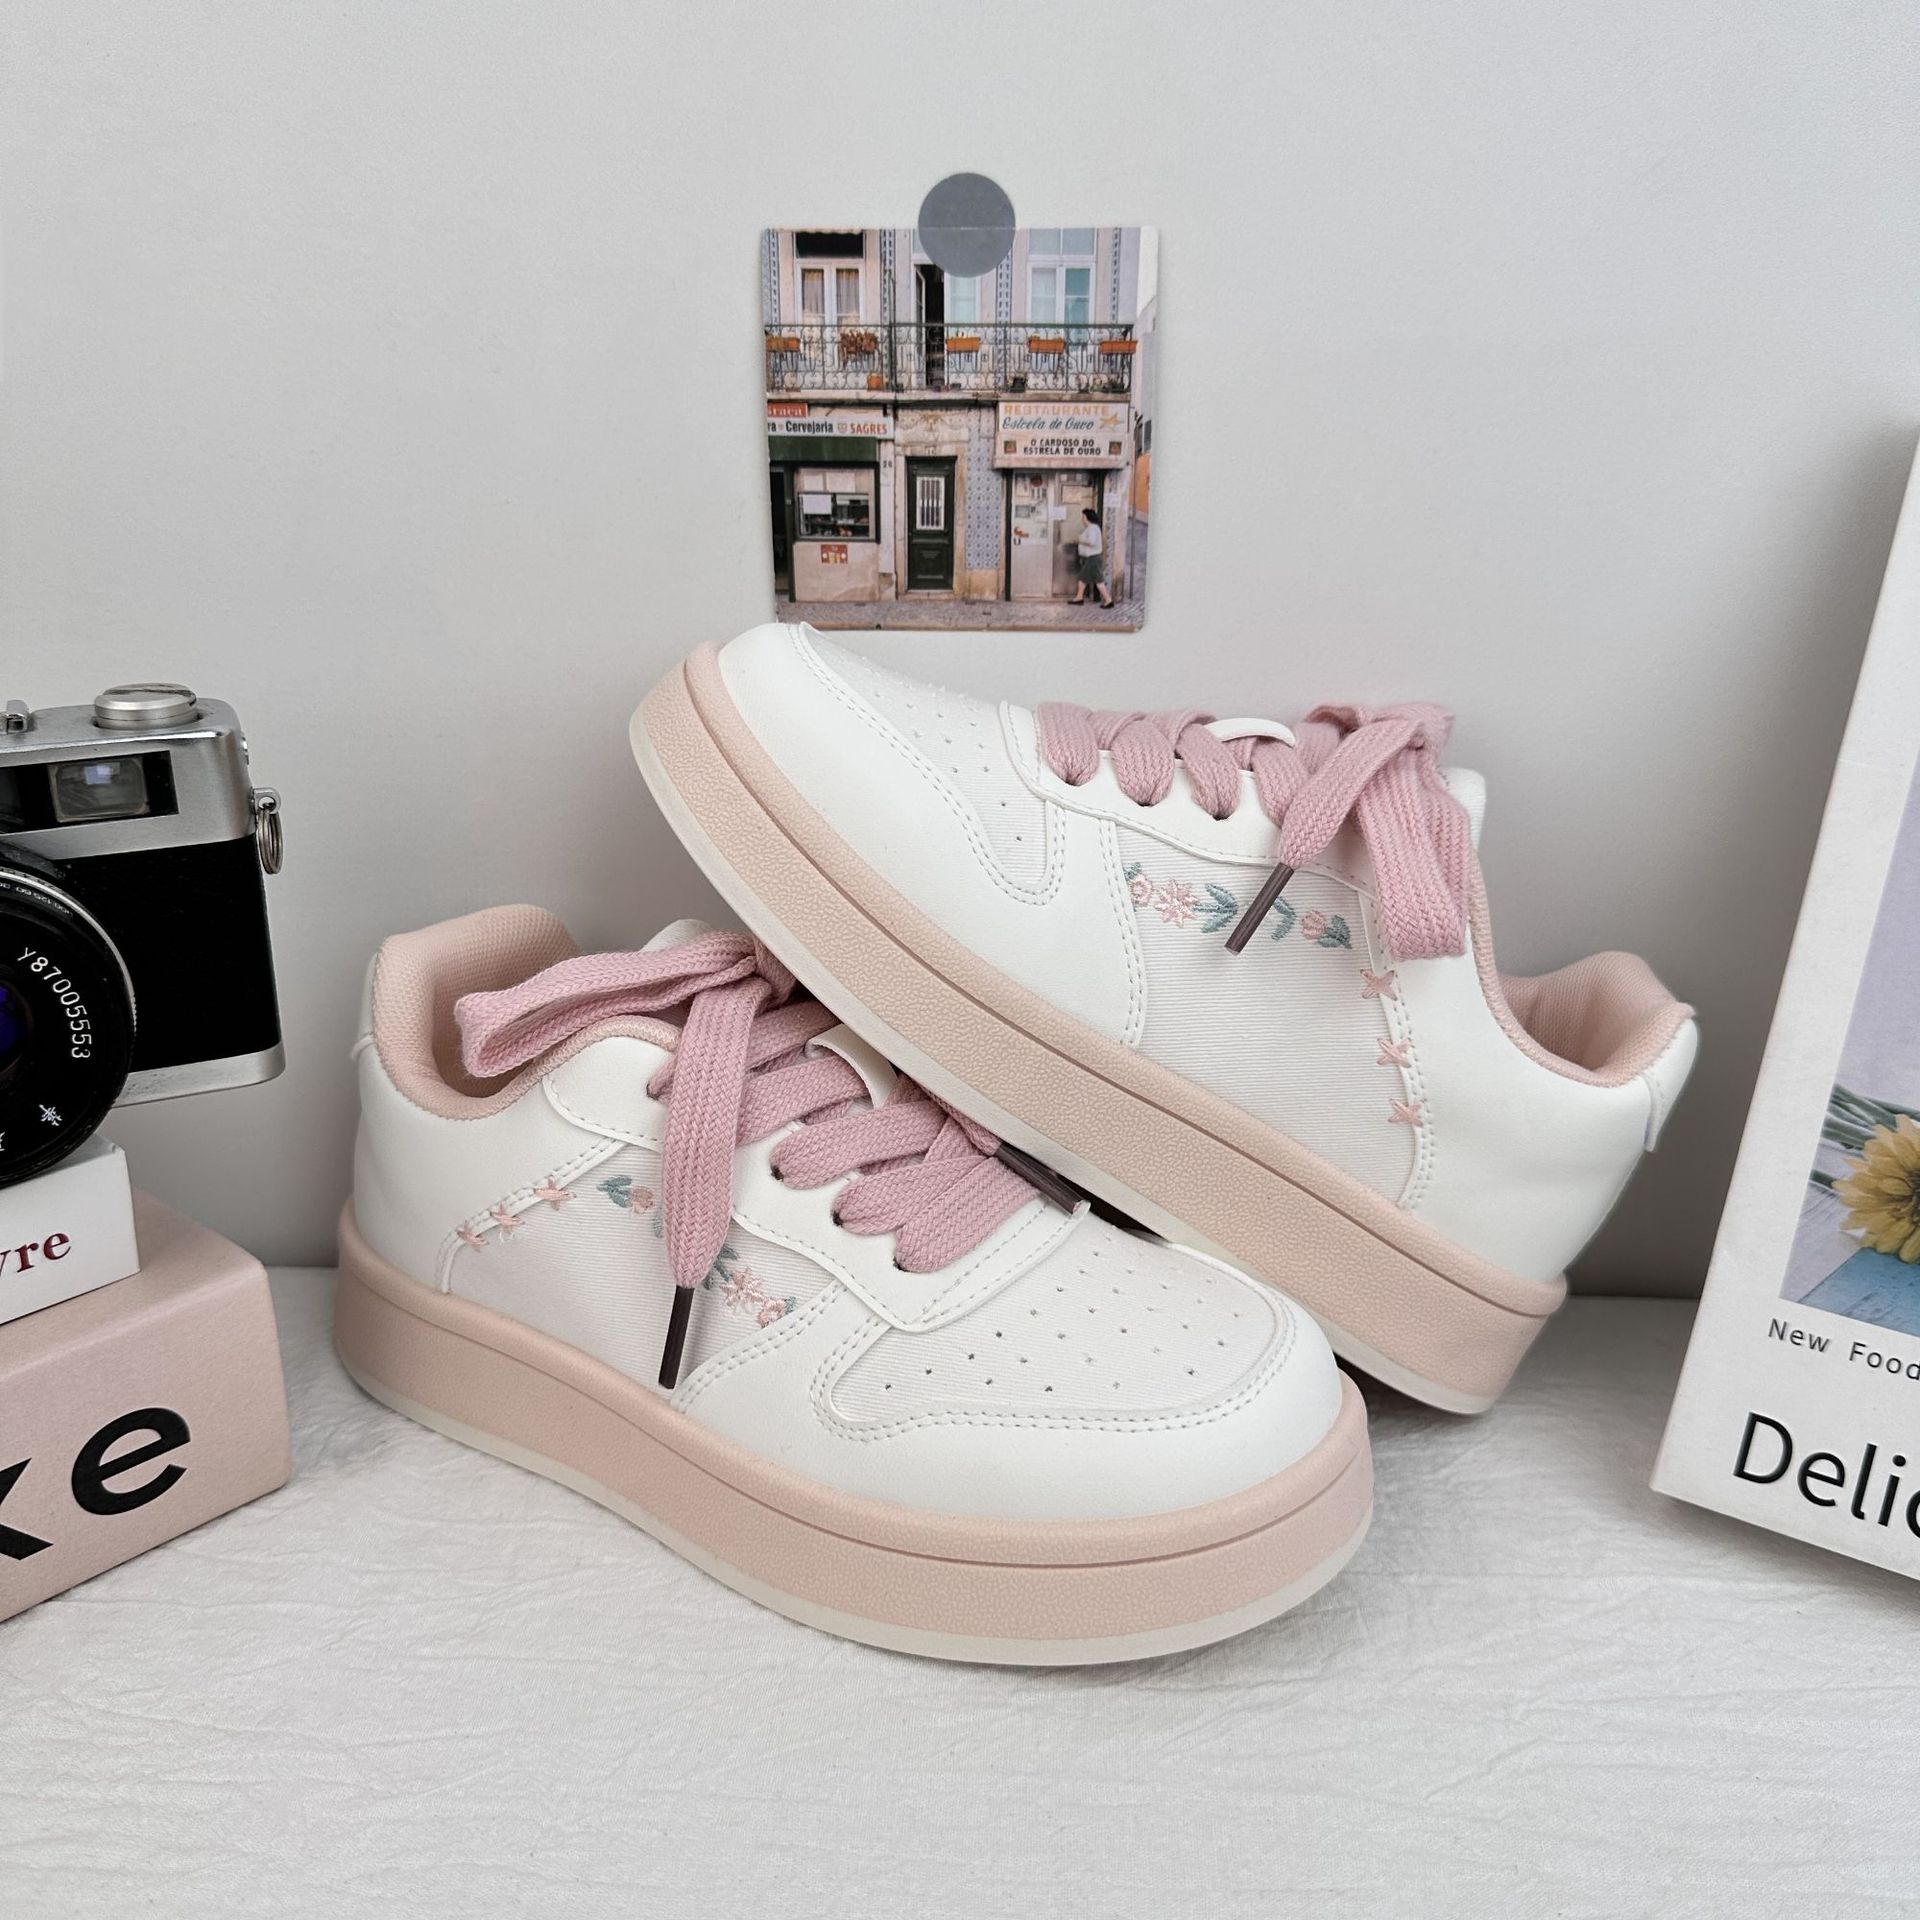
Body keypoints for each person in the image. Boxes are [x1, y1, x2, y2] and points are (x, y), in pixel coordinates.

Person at [1068, 506, 1113, 608]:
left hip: (1092, 559)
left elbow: (1091, 542)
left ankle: (1108, 600)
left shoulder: (1092, 528)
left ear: (1087, 518)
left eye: (1083, 517)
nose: (1082, 519)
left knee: (1096, 581)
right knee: (1084, 579)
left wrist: (1080, 540)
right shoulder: (1092, 528)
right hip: (1091, 558)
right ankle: (1079, 597)